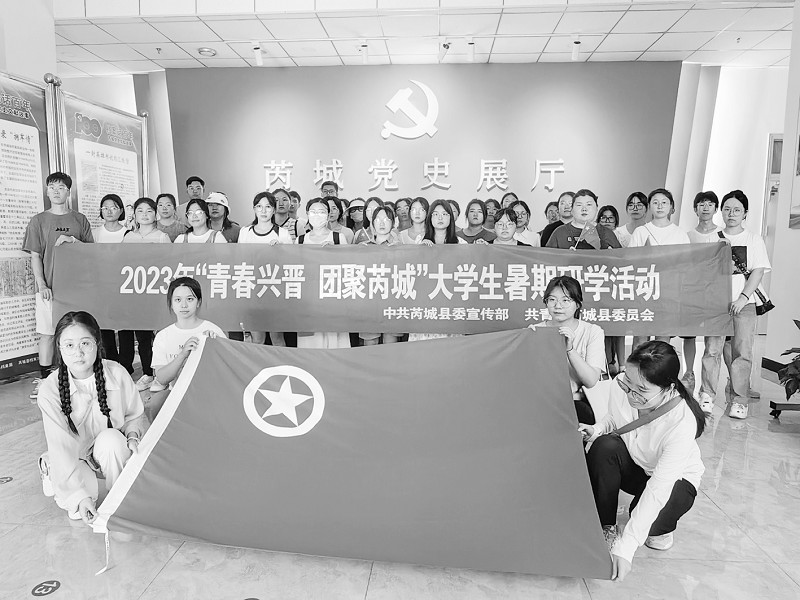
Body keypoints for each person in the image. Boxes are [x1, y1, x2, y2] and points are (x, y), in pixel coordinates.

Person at [579, 341, 705, 582]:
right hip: (638, 466)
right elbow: (615, 418)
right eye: (628, 383)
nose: (630, 394)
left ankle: (663, 528)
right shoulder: (623, 384)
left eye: (641, 390)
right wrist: (596, 429)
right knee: (604, 446)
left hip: (674, 482)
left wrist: (626, 547)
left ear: (668, 387)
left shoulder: (682, 422)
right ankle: (606, 526)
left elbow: (659, 488)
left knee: (646, 521)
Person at [36, 311, 144, 524]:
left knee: (113, 439)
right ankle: (50, 468)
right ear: (59, 347)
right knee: (78, 510)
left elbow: (135, 414)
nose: (78, 353)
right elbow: (61, 447)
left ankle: (120, 498)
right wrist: (79, 497)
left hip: (105, 451)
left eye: (85, 343)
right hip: (72, 456)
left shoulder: (117, 373)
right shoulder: (50, 390)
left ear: (97, 343)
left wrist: (132, 435)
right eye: (69, 345)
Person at [699, 190, 770, 419]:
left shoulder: (754, 239)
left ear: (745, 213)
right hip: (716, 304)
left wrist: (743, 298)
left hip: (745, 304)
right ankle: (707, 395)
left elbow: (758, 271)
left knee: (742, 351)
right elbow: (705, 271)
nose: (731, 213)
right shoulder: (712, 238)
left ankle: (739, 400)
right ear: (722, 211)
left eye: (737, 210)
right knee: (712, 350)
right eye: (727, 209)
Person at [23, 172, 94, 400]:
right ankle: (45, 380)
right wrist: (42, 284)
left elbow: (91, 251)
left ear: (68, 192)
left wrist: (72, 240)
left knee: (77, 333)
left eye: (61, 187)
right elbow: (35, 256)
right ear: (47, 191)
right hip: (49, 289)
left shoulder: (79, 219)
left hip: (76, 289)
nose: (56, 191)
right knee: (46, 334)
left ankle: (77, 378)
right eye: (52, 187)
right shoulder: (38, 221)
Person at [150, 277, 226, 420]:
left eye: (190, 299)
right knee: (154, 405)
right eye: (178, 300)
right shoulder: (163, 336)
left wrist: (215, 346)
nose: (184, 305)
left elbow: (226, 371)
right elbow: (161, 378)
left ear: (199, 302)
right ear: (171, 304)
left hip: (209, 396)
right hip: (177, 395)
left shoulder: (213, 331)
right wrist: (183, 355)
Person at [534, 276, 605, 425]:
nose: (558, 306)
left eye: (565, 300)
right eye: (552, 300)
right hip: (542, 402)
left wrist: (570, 350)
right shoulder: (535, 331)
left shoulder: (592, 332)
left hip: (577, 404)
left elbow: (591, 380)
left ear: (577, 304)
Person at [628, 189, 689, 352]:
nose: (660, 206)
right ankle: (637, 369)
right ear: (649, 206)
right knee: (640, 341)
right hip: (644, 293)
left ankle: (661, 370)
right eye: (655, 202)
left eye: (664, 203)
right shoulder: (641, 232)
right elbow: (630, 262)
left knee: (663, 341)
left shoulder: (680, 234)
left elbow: (685, 266)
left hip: (669, 295)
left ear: (671, 207)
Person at [121, 197, 169, 391]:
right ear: (134, 215)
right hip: (133, 293)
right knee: (135, 334)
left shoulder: (162, 237)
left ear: (155, 214)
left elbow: (169, 264)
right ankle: (139, 372)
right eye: (140, 211)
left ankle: (155, 373)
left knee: (152, 335)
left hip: (154, 293)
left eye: (149, 210)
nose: (145, 214)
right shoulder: (128, 237)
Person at [238, 191, 292, 346]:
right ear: (254, 209)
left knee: (277, 337)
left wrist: (281, 250)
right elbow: (240, 260)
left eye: (268, 207)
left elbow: (291, 263)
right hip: (252, 290)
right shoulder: (245, 232)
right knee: (257, 339)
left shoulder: (282, 233)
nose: (263, 210)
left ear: (274, 210)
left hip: (275, 290)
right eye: (259, 206)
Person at [295, 198, 350, 349]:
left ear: (328, 214)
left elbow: (348, 269)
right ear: (307, 214)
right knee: (310, 345)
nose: (317, 215)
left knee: (334, 342)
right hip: (308, 301)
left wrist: (336, 252)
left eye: (321, 212)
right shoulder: (300, 240)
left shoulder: (338, 238)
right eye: (313, 212)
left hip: (332, 299)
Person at [684, 191, 723, 398]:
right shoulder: (688, 236)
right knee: (689, 334)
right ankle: (689, 373)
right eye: (701, 204)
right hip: (693, 291)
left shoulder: (723, 235)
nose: (705, 207)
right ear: (695, 209)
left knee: (714, 341)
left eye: (710, 204)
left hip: (716, 294)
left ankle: (709, 388)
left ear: (716, 208)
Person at [92, 194, 130, 373]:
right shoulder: (95, 234)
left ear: (121, 210)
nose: (109, 211)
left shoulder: (128, 233)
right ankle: (111, 363)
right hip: (101, 286)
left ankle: (126, 365)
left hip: (123, 285)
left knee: (125, 326)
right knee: (104, 325)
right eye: (105, 207)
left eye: (113, 207)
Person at [597, 204, 625, 375]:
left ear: (616, 221)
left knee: (619, 326)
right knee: (604, 327)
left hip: (617, 286)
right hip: (599, 287)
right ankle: (607, 363)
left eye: (610, 218)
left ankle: (622, 365)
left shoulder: (620, 237)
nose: (607, 221)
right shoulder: (594, 236)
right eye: (603, 218)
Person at [547, 189, 621, 250]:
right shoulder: (559, 232)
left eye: (589, 204)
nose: (584, 209)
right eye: (579, 205)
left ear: (596, 208)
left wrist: (612, 256)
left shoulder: (607, 233)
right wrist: (565, 256)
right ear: (572, 209)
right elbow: (547, 259)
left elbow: (621, 259)